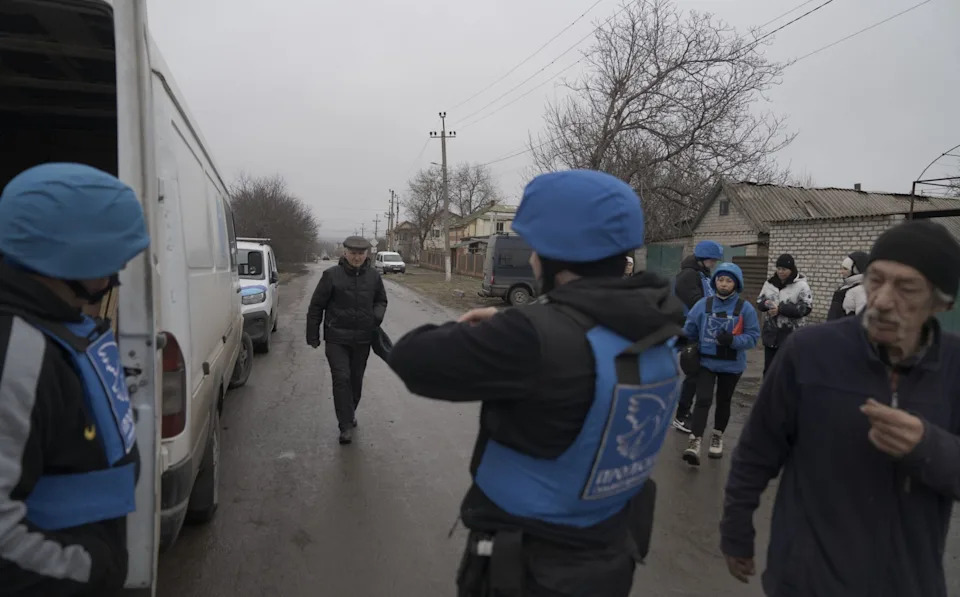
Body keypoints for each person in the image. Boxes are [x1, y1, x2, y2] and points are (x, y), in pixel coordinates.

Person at [387, 169, 685, 597]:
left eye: (534, 248)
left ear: (552, 255)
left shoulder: (530, 338)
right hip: (611, 557)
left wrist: (519, 322)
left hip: (528, 569)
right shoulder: (661, 322)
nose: (530, 259)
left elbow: (411, 358)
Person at [720, 220, 960, 597]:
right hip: (806, 579)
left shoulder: (954, 368)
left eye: (906, 287)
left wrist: (929, 447)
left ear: (942, 301)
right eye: (875, 280)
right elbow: (756, 449)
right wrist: (736, 530)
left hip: (907, 583)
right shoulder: (810, 353)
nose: (881, 300)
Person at [0, 163, 150, 596]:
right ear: (71, 256)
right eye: (112, 256)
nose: (118, 270)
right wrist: (90, 570)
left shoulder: (58, 326)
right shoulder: (17, 350)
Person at [306, 236, 388, 445]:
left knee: (355, 381)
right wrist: (312, 334)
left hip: (362, 339)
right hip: (336, 338)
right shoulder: (331, 276)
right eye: (353, 253)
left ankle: (349, 413)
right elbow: (316, 307)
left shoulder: (373, 277)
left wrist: (376, 316)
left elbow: (381, 300)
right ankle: (345, 425)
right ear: (345, 253)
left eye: (361, 253)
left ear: (367, 254)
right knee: (341, 378)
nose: (357, 257)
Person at [680, 262, 760, 465]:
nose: (724, 284)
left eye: (729, 280)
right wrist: (685, 344)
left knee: (724, 401)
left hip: (732, 365)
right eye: (720, 279)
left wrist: (733, 340)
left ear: (736, 284)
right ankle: (695, 440)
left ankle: (717, 435)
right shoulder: (703, 305)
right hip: (706, 362)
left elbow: (752, 337)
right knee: (703, 399)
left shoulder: (745, 308)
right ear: (715, 281)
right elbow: (689, 330)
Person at [671, 239, 723, 433]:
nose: (714, 263)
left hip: (699, 329)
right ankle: (681, 415)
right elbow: (696, 303)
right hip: (689, 329)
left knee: (695, 374)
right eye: (712, 260)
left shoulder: (702, 274)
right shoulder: (688, 276)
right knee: (692, 374)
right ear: (703, 258)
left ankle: (684, 412)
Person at [756, 253, 812, 374]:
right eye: (779, 268)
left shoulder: (801, 285)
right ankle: (769, 393)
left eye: (784, 269)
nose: (781, 272)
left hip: (791, 335)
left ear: (791, 270)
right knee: (769, 371)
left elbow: (805, 308)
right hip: (771, 335)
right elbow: (759, 301)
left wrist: (780, 309)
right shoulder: (770, 283)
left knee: (787, 371)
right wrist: (766, 304)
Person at [826, 250, 868, 320]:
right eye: (841, 268)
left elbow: (862, 320)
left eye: (845, 269)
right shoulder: (846, 287)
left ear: (855, 270)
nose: (841, 272)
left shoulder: (860, 290)